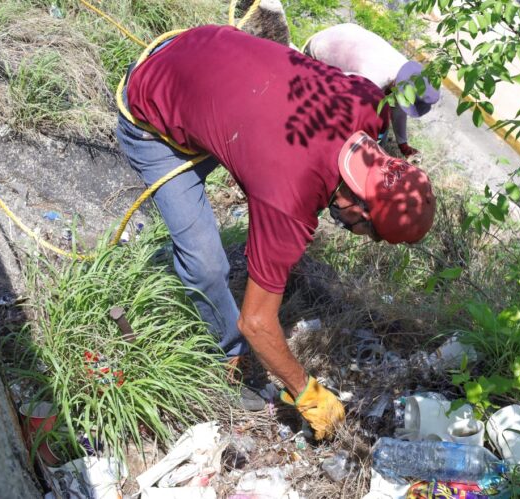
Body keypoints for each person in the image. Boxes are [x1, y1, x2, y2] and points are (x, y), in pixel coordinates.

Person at [115, 25, 436, 440]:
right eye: (369, 233)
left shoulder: (367, 104)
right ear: (356, 206)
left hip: (207, 50)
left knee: (242, 146)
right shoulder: (289, 197)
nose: (362, 238)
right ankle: (227, 357)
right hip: (150, 111)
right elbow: (256, 321)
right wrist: (307, 392)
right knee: (207, 265)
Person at [303, 23, 441, 159]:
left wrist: (403, 144)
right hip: (316, 51)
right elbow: (335, 92)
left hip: (341, 31)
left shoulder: (404, 70)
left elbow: (398, 108)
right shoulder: (372, 79)